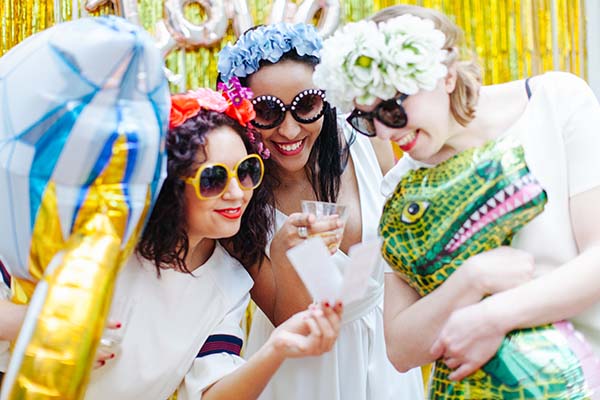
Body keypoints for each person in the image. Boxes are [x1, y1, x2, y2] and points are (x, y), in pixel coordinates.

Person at [314, 1, 600, 392]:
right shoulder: (403, 188)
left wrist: (493, 316)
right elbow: (400, 347)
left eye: (393, 109)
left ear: (445, 76)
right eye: (366, 119)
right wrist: (471, 279)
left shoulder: (557, 103)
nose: (383, 133)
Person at [1, 87, 343, 399]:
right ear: (169, 186)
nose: (238, 193)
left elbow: (210, 393)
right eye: (213, 179)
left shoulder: (229, 281)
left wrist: (276, 348)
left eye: (246, 171)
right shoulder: (99, 233)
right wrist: (45, 323)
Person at [218, 23, 424, 400]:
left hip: (386, 354)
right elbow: (289, 322)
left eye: (306, 104)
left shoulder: (366, 141)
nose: (290, 129)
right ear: (243, 113)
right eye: (266, 111)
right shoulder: (239, 197)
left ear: (326, 101)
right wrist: (284, 254)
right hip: (303, 371)